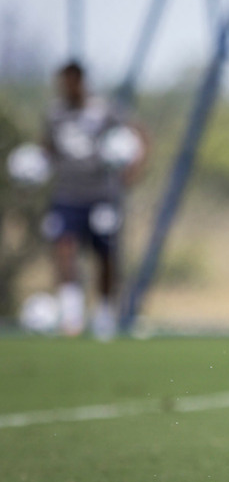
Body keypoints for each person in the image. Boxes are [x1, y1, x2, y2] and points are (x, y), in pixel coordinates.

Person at [42, 60, 147, 340]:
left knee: (106, 255)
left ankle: (103, 313)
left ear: (81, 81)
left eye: (71, 81)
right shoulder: (55, 114)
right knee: (64, 248)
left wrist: (132, 173)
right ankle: (72, 314)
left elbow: (138, 135)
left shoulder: (104, 110)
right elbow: (47, 147)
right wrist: (36, 168)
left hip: (102, 196)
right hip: (66, 194)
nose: (67, 88)